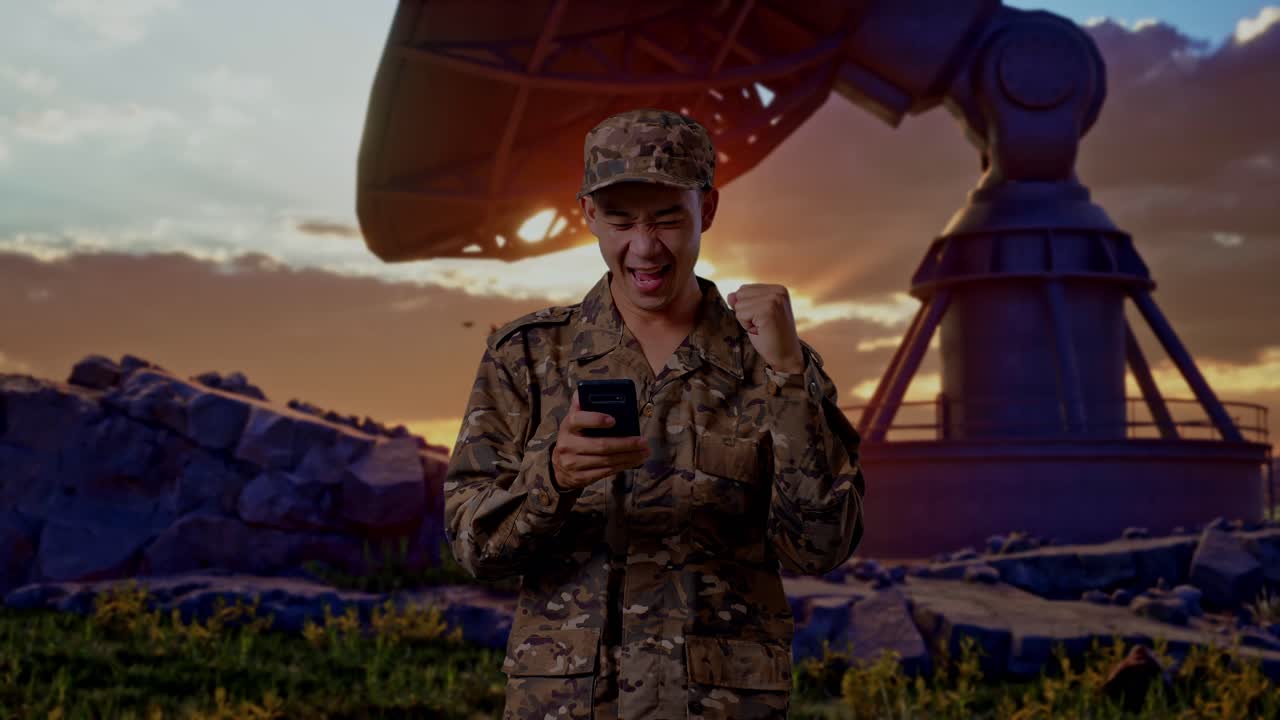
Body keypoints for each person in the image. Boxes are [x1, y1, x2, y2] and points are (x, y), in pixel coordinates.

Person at [444, 108, 866, 720]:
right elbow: (473, 548)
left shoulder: (773, 360)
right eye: (619, 220)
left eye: (669, 219)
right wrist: (552, 481)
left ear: (709, 210)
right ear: (587, 214)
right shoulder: (527, 358)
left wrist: (788, 381)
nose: (645, 248)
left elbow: (821, 549)